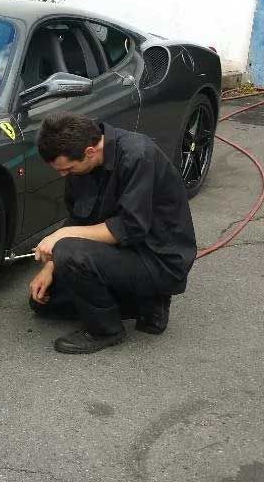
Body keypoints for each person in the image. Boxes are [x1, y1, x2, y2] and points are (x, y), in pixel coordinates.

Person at [28, 112, 197, 354]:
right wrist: (49, 268)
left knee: (67, 251)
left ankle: (105, 330)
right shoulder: (81, 165)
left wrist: (60, 239)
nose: (63, 175)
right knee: (43, 302)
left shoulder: (138, 155)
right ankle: (144, 304)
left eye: (67, 169)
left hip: (158, 259)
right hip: (120, 253)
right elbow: (79, 217)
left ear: (89, 151)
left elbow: (130, 228)